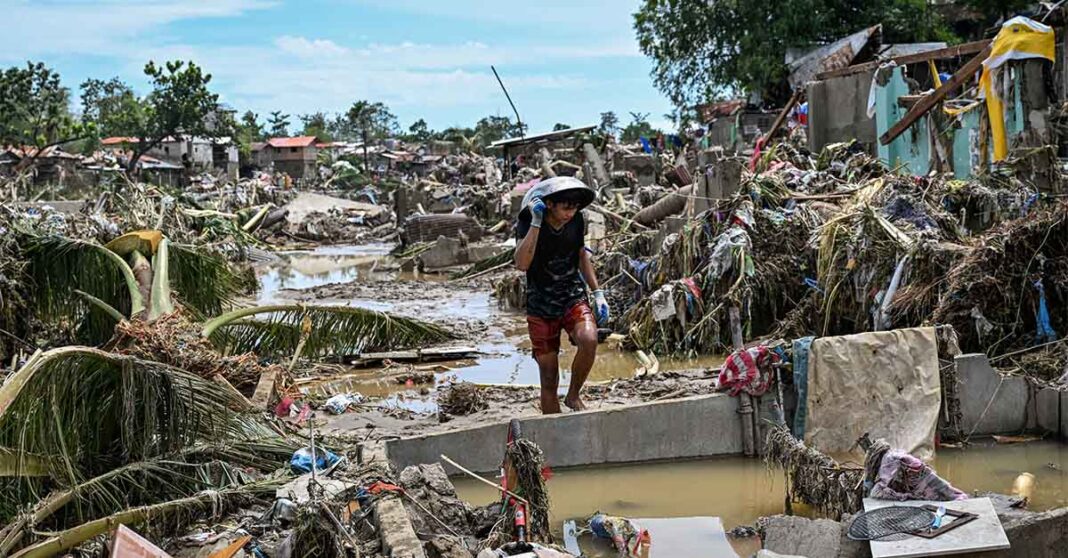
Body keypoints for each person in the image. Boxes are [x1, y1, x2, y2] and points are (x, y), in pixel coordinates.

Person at [514, 178, 609, 414]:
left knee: (589, 338)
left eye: (574, 207)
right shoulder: (528, 221)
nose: (571, 213)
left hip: (571, 294)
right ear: (549, 205)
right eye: (565, 207)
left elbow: (580, 255)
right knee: (548, 377)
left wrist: (597, 292)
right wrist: (537, 223)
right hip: (541, 302)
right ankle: (553, 426)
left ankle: (573, 395)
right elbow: (522, 263)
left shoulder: (577, 221)